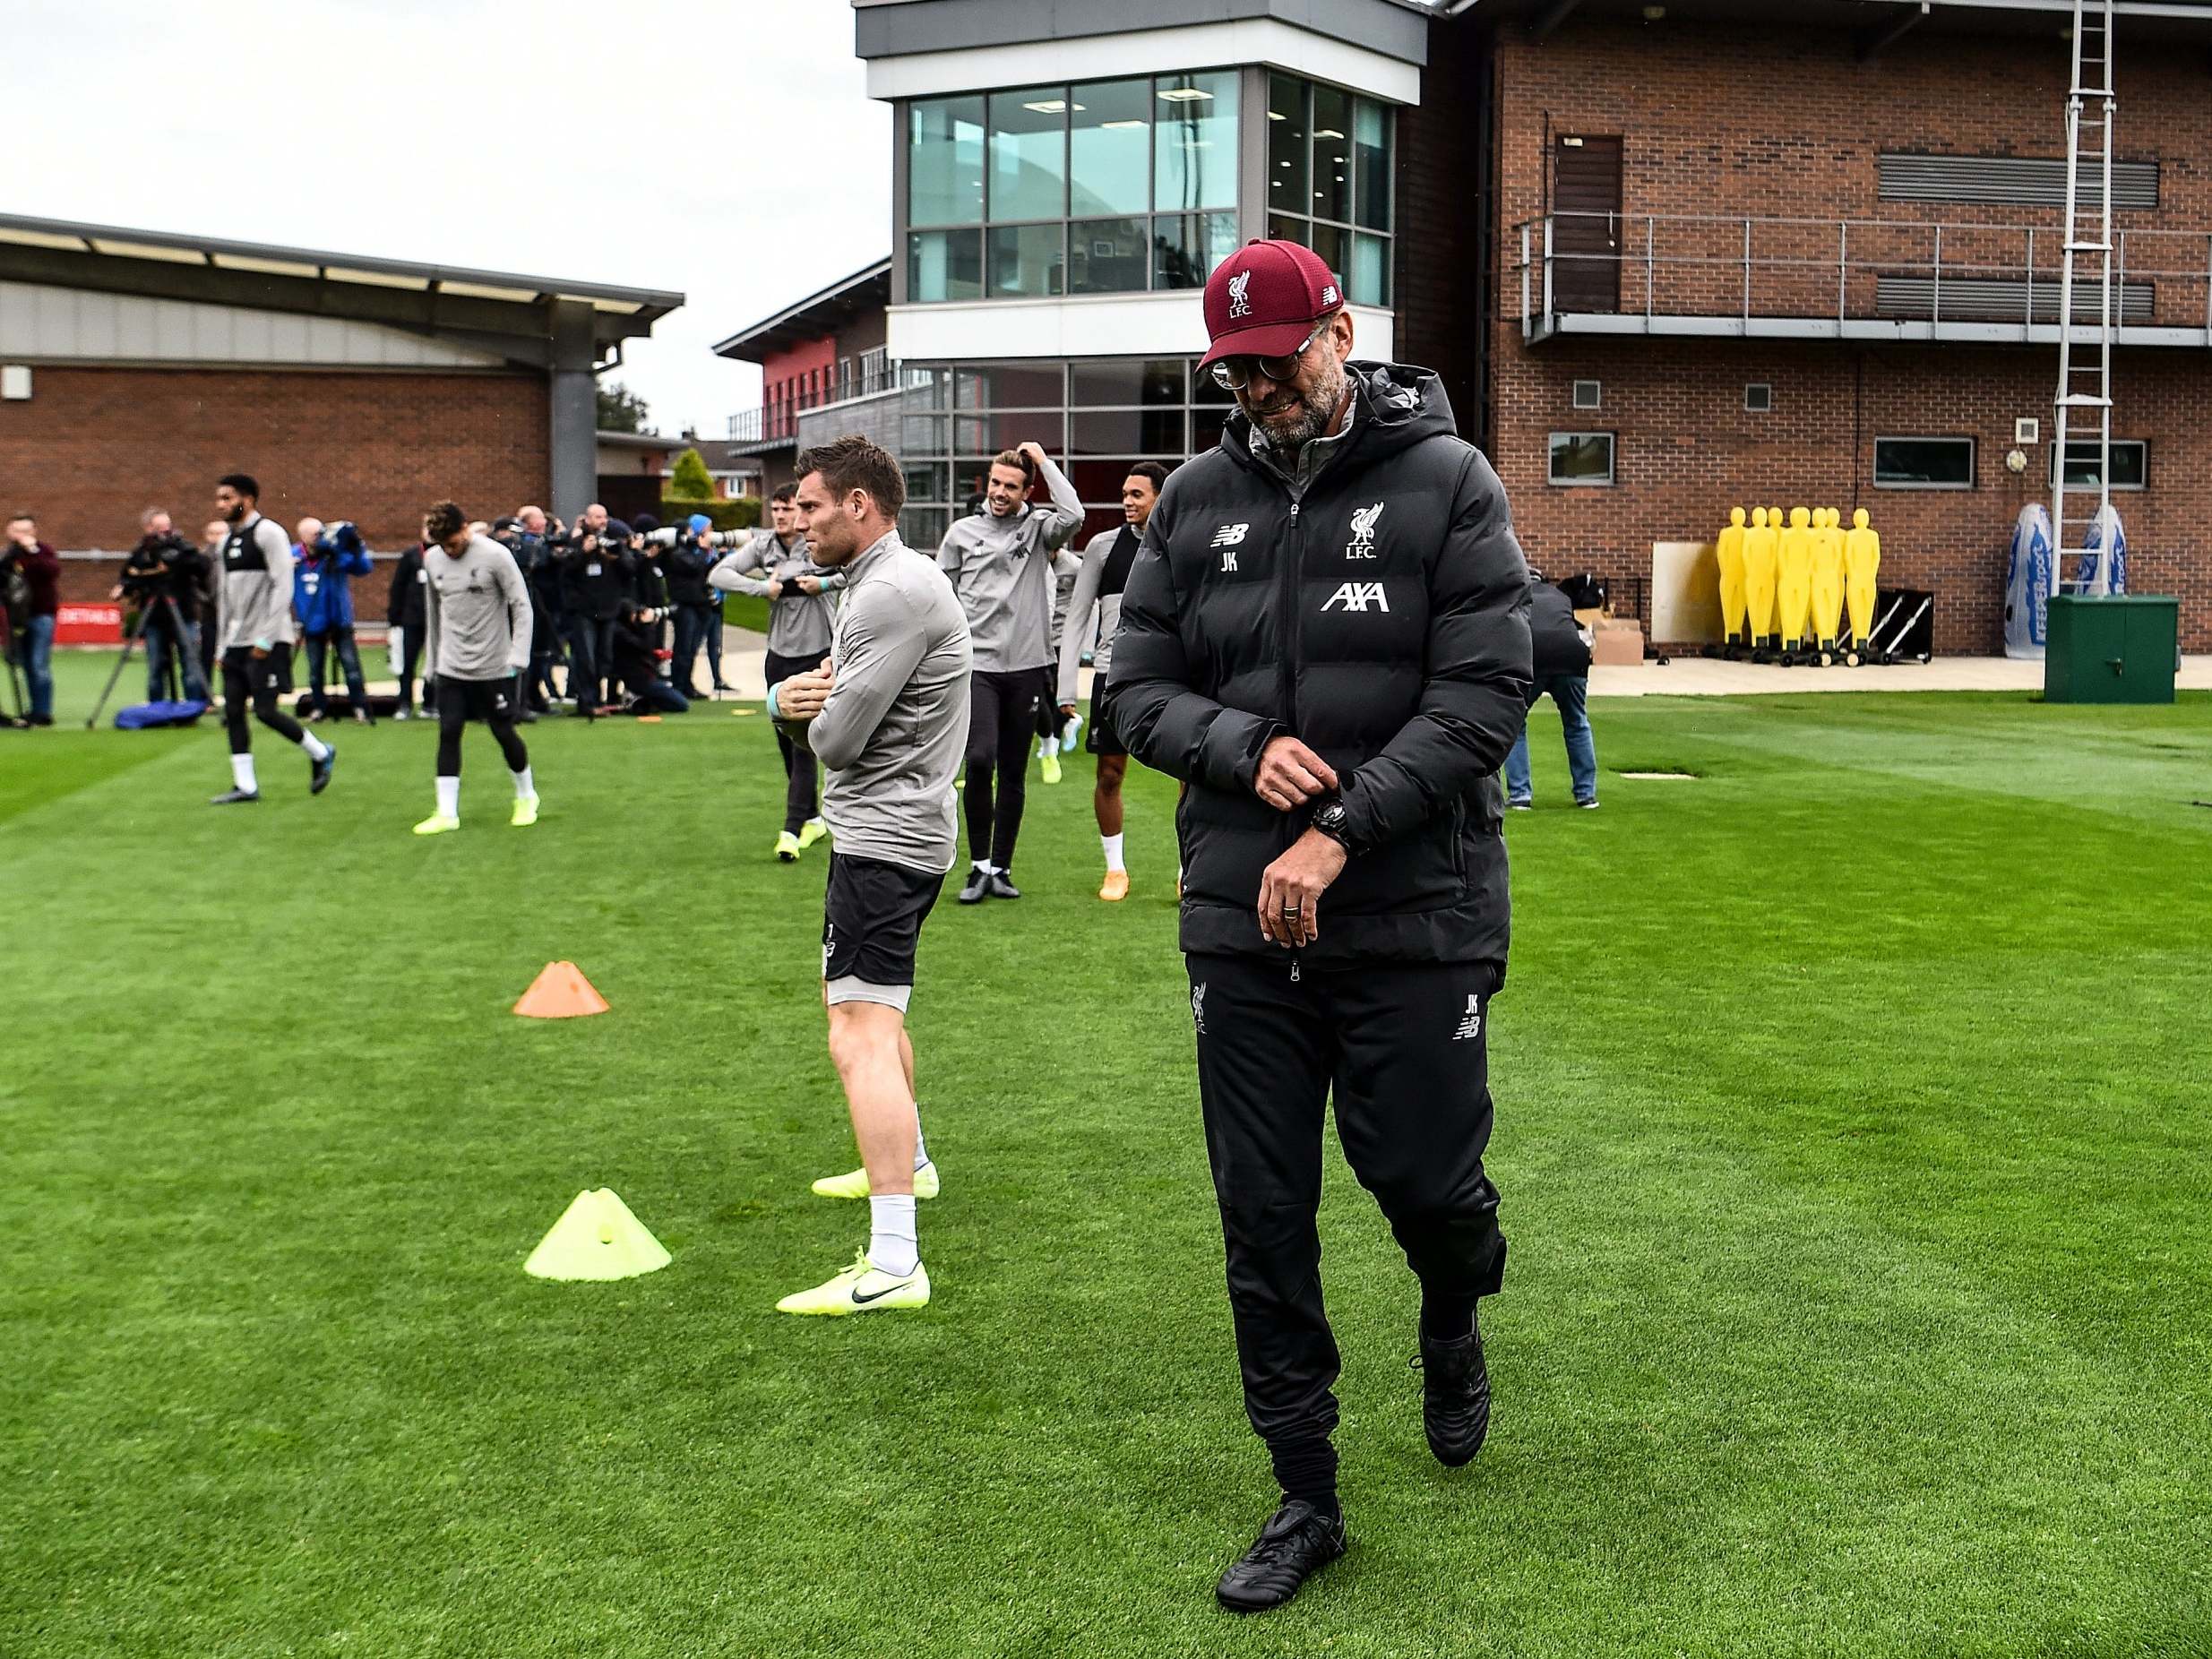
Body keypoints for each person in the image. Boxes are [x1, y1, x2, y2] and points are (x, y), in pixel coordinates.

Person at [1108, 238, 1533, 1612]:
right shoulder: (1193, 498)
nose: (1257, 390)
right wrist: (1242, 748)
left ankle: (1453, 1305)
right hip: (1243, 925)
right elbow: (1131, 695)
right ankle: (1305, 1491)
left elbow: (1483, 698)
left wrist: (1339, 829)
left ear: (1341, 331)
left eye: (1278, 360)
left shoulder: (1447, 480)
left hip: (1412, 910)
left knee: (1426, 1190)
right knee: (1261, 1212)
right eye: (1231, 370)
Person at [766, 434, 971, 1317]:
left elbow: (836, 738)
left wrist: (795, 705)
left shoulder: (888, 590)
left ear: (858, 504)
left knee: (858, 1034)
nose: (797, 523)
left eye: (810, 507)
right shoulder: (882, 581)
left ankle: (895, 1263)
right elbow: (847, 696)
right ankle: (910, 1162)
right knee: (862, 1008)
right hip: (890, 830)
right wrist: (820, 690)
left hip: (886, 837)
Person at [936, 441, 1081, 903]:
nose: (1000, 492)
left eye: (1012, 486)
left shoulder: (1039, 529)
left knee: (1014, 771)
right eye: (996, 483)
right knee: (979, 760)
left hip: (1027, 667)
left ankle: (1001, 868)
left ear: (1026, 490)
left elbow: (1074, 514)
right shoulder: (962, 532)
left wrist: (1042, 460)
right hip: (976, 666)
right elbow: (942, 593)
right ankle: (977, 867)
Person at [711, 485, 842, 858]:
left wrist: (823, 584)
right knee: (786, 743)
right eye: (777, 509)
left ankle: (790, 831)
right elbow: (719, 575)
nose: (783, 516)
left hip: (816, 655)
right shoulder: (764, 544)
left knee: (805, 747)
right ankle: (814, 818)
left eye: (790, 509)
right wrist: (762, 588)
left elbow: (853, 573)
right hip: (779, 657)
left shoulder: (816, 541)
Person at [1057, 462, 1167, 900]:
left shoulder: (1181, 541)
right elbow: (1076, 616)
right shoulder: (1103, 548)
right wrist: (1067, 688)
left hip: (1169, 678)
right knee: (1109, 775)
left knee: (1188, 780)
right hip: (1113, 677)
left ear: (1159, 497)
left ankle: (1188, 870)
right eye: (1125, 493)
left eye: (1137, 494)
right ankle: (1115, 869)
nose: (1127, 501)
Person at [209, 473, 338, 804]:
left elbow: (284, 586)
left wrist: (266, 638)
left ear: (247, 499)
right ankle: (246, 786)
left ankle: (320, 751)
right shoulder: (225, 542)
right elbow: (225, 597)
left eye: (227, 498)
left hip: (266, 639)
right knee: (234, 711)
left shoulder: (269, 533)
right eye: (219, 498)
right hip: (237, 641)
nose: (220, 504)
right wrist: (223, 644)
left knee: (265, 711)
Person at [413, 500, 537, 834]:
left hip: (493, 666)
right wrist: (432, 664)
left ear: (465, 528)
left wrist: (518, 656)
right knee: (449, 731)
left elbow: (521, 606)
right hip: (452, 666)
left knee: (502, 731)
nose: (448, 551)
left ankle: (526, 796)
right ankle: (446, 813)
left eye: (452, 542)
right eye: (442, 545)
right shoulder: (434, 559)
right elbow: (434, 615)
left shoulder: (495, 556)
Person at [1505, 574, 1597, 811]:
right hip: (1571, 657)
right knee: (1577, 722)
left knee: (1516, 725)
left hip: (1533, 656)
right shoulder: (1560, 596)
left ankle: (1520, 795)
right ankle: (1586, 795)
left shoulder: (1517, 594)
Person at [115, 509, 208, 702]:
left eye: (167, 527)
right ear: (149, 528)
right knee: (156, 664)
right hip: (154, 615)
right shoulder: (141, 552)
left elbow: (201, 569)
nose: (165, 532)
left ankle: (193, 706)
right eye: (160, 528)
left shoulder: (183, 548)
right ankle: (156, 706)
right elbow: (129, 575)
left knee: (190, 661)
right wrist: (124, 587)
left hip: (183, 612)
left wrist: (181, 557)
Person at [292, 518, 374, 724]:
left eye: (321, 533)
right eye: (314, 534)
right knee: (315, 671)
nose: (319, 538)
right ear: (302, 536)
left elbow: (363, 568)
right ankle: (319, 708)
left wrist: (354, 548)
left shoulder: (334, 554)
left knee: (351, 668)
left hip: (339, 618)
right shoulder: (294, 556)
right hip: (312, 621)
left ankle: (360, 707)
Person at [555, 505, 627, 713]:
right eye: (597, 517)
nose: (602, 521)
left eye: (604, 517)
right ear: (587, 519)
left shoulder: (614, 545)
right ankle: (587, 702)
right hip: (584, 611)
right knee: (586, 657)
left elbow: (629, 571)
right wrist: (584, 554)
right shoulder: (576, 544)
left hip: (608, 609)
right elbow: (565, 572)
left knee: (604, 657)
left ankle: (598, 699)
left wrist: (616, 556)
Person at [2, 514, 59, 726]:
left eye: (26, 530)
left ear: (34, 531)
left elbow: (51, 571)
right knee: (24, 663)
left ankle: (43, 711)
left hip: (41, 614)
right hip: (16, 618)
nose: (22, 535)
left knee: (39, 664)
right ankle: (31, 710)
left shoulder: (44, 551)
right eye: (17, 530)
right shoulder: (9, 555)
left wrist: (32, 551)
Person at [665, 513, 721, 701]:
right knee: (683, 648)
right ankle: (678, 685)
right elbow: (693, 567)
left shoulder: (695, 552)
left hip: (700, 605)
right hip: (685, 605)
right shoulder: (678, 553)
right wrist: (704, 550)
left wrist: (715, 556)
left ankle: (686, 684)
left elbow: (706, 571)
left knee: (692, 649)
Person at [386, 538, 432, 718]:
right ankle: (404, 704)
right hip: (412, 619)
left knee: (434, 665)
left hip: (434, 621)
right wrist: (395, 617)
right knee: (407, 663)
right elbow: (398, 585)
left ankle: (430, 703)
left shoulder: (444, 554)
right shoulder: (411, 555)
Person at [195, 520, 226, 692]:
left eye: (222, 533)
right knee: (206, 656)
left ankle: (237, 695)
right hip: (210, 615)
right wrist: (207, 599)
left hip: (233, 616)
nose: (218, 537)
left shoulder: (234, 556)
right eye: (214, 533)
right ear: (207, 535)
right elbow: (193, 585)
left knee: (233, 658)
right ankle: (205, 695)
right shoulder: (201, 558)